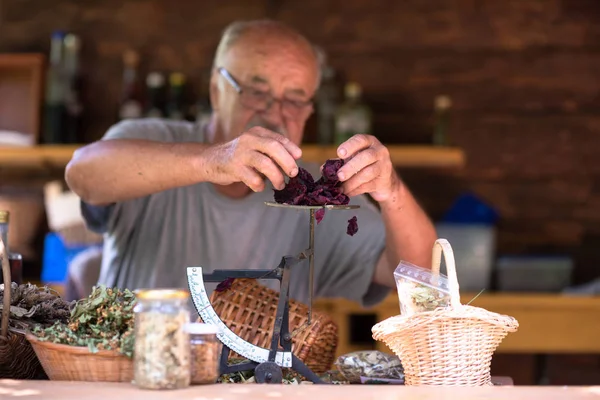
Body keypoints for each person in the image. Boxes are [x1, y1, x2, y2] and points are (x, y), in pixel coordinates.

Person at [65, 19, 437, 307]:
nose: (274, 114)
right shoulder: (149, 139)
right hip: (132, 374)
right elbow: (82, 174)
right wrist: (215, 160)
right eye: (257, 92)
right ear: (215, 90)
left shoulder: (313, 194)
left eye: (294, 99)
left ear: (309, 110)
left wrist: (393, 192)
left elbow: (420, 279)